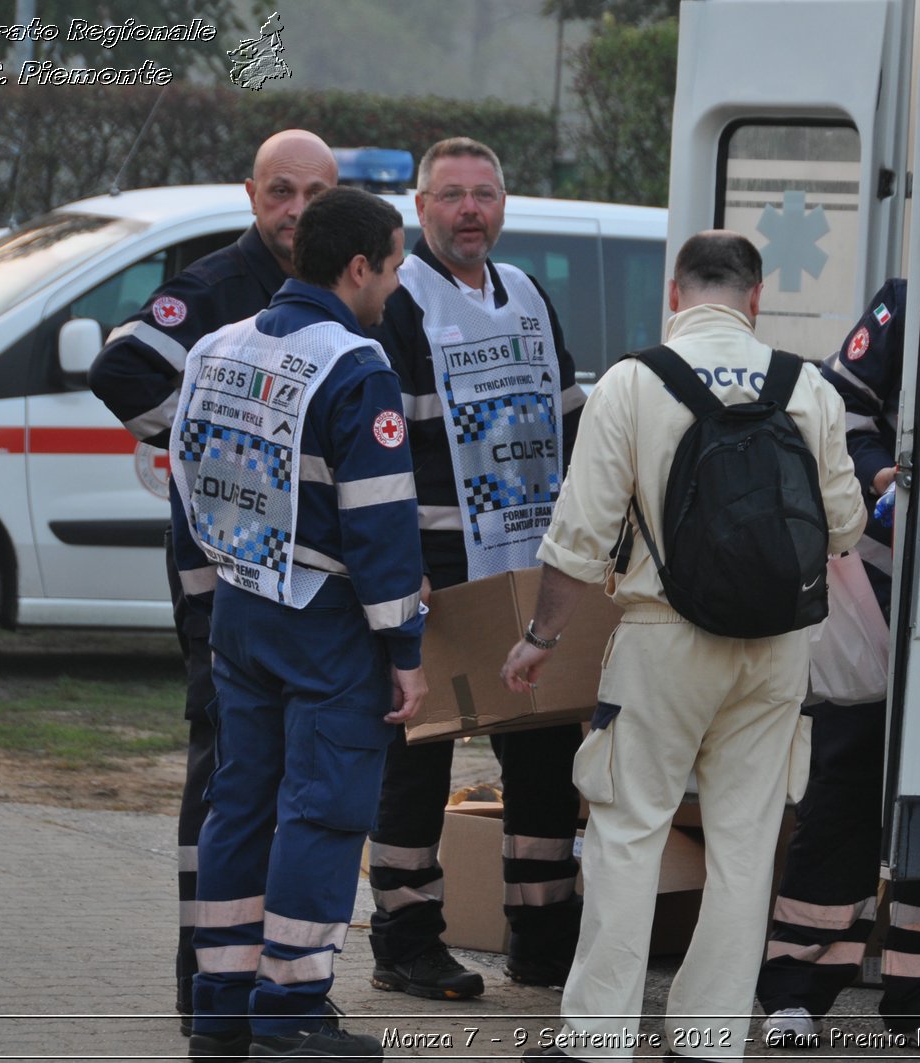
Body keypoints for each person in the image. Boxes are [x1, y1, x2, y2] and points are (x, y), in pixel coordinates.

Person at [501, 231, 867, 1061]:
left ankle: (596, 1042)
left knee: (629, 834)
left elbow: (580, 536)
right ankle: (706, 1041)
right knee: (743, 843)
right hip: (776, 649)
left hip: (663, 641)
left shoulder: (632, 383)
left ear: (676, 293)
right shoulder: (807, 387)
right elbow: (843, 526)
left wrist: (539, 638)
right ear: (756, 296)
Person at [87, 129, 339, 1032]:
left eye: (314, 192)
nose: (296, 210)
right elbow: (119, 367)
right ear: (249, 193)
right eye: (280, 190)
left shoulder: (340, 288)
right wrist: (211, 445)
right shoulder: (216, 288)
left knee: (288, 786)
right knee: (229, 778)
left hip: (305, 594)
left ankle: (260, 976)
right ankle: (207, 982)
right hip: (222, 585)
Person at [174, 186, 424, 1062]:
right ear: (358, 267)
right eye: (392, 268)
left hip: (240, 606)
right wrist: (407, 648)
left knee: (237, 803)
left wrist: (209, 600)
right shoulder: (357, 366)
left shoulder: (214, 348)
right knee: (321, 812)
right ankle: (292, 1013)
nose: (394, 287)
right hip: (326, 623)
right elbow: (381, 521)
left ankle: (221, 1008)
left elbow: (188, 485)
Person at [362, 137, 586, 999]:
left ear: (504, 204)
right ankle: (405, 942)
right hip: (439, 577)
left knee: (543, 759)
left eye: (484, 194)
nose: (469, 211)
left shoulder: (527, 293)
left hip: (530, 571)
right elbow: (384, 457)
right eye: (450, 195)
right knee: (416, 761)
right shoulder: (401, 303)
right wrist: (404, 567)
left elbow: (569, 422)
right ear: (420, 208)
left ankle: (543, 940)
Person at [756, 278, 920, 1056]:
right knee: (846, 778)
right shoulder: (915, 297)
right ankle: (795, 991)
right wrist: (881, 472)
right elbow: (834, 404)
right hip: (884, 583)